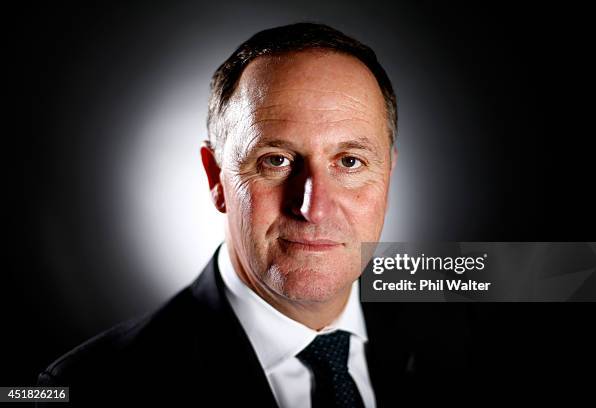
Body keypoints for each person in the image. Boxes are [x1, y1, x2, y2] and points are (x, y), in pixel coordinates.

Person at [37, 22, 471, 407]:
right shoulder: (91, 389)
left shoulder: (470, 339)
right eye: (276, 160)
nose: (313, 207)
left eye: (350, 162)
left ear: (388, 175)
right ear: (216, 178)